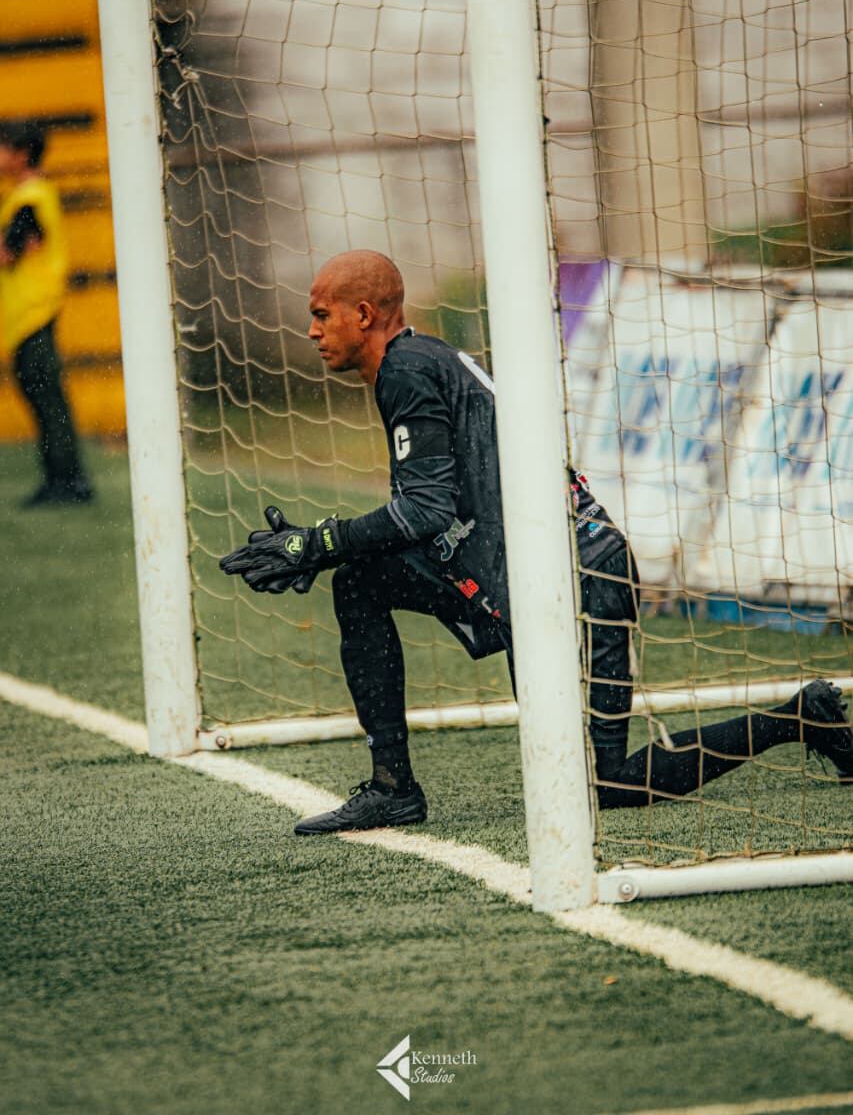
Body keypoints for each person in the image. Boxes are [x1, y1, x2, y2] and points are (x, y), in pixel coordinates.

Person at [220, 249, 853, 834]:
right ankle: (392, 788)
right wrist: (333, 549)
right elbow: (439, 509)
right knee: (361, 581)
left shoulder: (406, 370)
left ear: (363, 315)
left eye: (320, 315)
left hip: (582, 574)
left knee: (604, 782)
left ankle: (799, 717)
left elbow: (423, 509)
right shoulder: (420, 361)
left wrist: (317, 542)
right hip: (518, 568)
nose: (312, 330)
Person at [0, 121, 93, 507]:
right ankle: (61, 480)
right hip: (28, 317)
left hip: (35, 314)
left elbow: (10, 251)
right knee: (44, 399)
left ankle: (68, 482)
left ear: (21, 153)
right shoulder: (25, 196)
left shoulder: (31, 198)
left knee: (48, 400)